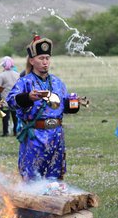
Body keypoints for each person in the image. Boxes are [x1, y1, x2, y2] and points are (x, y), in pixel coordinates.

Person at [6, 35, 80, 181]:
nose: (45, 62)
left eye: (47, 58)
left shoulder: (58, 82)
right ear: (32, 60)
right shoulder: (25, 82)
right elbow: (11, 101)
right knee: (32, 179)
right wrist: (28, 97)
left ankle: (54, 203)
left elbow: (63, 106)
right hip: (35, 136)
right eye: (41, 58)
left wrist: (73, 104)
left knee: (55, 178)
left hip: (56, 136)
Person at [0, 56, 20, 136]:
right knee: (15, 117)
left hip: (5, 101)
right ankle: (16, 132)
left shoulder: (2, 75)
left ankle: (5, 132)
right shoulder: (17, 74)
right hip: (16, 100)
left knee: (5, 117)